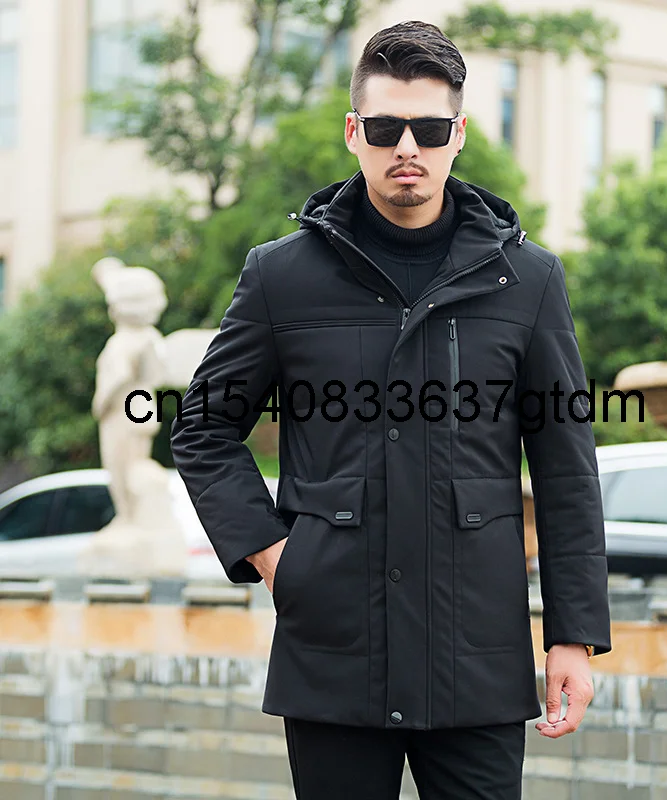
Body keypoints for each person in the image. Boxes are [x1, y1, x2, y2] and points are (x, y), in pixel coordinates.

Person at [170, 19, 611, 800]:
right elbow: (203, 426)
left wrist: (573, 636)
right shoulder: (282, 277)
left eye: (430, 129)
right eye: (384, 128)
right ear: (354, 132)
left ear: (458, 135)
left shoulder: (528, 280)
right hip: (333, 648)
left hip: (477, 653)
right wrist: (276, 558)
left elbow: (566, 468)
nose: (407, 147)